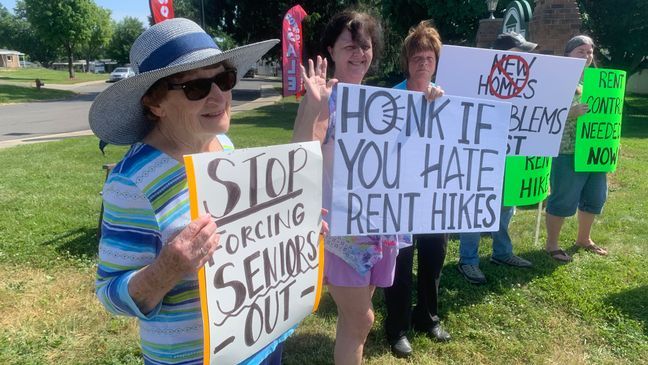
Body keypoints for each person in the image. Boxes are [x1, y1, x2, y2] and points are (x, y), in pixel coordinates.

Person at [91, 18, 285, 365]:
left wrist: (289, 233)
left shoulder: (222, 144)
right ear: (154, 103)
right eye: (196, 87)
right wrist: (166, 269)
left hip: (257, 343)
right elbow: (109, 293)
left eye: (224, 79)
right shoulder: (130, 182)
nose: (219, 95)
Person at [292, 10, 411, 365]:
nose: (359, 52)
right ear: (330, 50)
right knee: (362, 319)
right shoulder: (324, 97)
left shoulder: (382, 102)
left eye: (365, 45)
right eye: (349, 46)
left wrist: (429, 103)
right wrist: (312, 108)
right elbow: (299, 157)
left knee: (355, 316)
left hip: (378, 225)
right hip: (343, 234)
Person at [382, 21, 449, 359]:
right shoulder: (390, 98)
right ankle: (397, 327)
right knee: (401, 264)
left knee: (434, 258)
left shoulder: (448, 100)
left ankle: (428, 317)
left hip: (435, 194)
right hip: (399, 195)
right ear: (407, 62)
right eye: (416, 57)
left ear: (436, 62)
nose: (423, 62)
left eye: (428, 57)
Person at [457, 32, 535, 285]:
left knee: (505, 204)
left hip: (510, 153)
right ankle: (468, 260)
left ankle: (502, 253)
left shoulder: (527, 83)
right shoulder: (477, 80)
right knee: (475, 206)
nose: (526, 56)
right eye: (520, 51)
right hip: (479, 154)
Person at [545, 35, 608, 262]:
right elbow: (542, 114)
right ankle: (552, 244)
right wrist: (569, 113)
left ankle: (584, 238)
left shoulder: (597, 83)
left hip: (595, 152)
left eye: (590, 52)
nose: (587, 55)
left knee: (595, 197)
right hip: (568, 150)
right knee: (563, 198)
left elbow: (608, 116)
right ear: (568, 54)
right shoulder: (556, 81)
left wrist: (611, 141)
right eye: (581, 51)